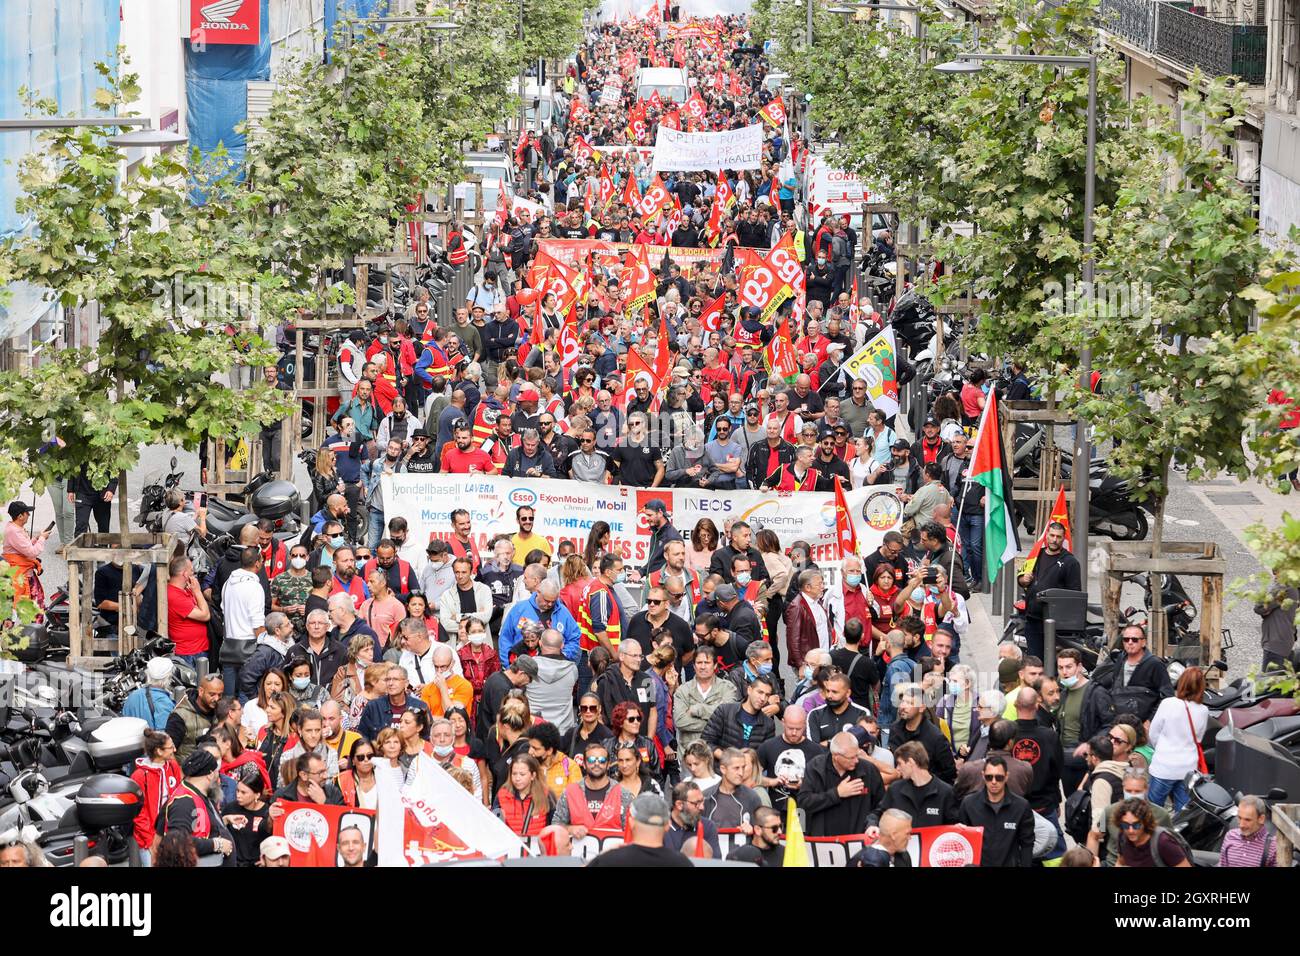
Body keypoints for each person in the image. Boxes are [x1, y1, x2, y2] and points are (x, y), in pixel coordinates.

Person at [1146, 666, 1210, 811]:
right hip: (1187, 769)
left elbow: (1153, 733)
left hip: (1163, 765)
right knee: (1183, 813)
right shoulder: (1203, 711)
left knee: (1153, 812)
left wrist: (1162, 748)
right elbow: (1198, 739)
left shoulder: (1168, 703)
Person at [799, 731, 886, 837]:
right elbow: (804, 803)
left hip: (859, 840)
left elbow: (881, 805)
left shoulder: (869, 770)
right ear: (836, 756)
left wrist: (872, 823)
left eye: (857, 755)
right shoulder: (816, 768)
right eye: (851, 758)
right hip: (824, 842)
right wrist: (836, 793)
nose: (856, 761)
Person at [1015, 521, 1081, 658]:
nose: (1054, 540)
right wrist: (1023, 580)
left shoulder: (1070, 562)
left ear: (1064, 539)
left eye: (1058, 537)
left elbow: (1075, 595)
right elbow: (1021, 578)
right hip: (1032, 619)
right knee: (1034, 661)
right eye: (1052, 535)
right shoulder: (1036, 555)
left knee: (1052, 664)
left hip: (1054, 624)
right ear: (1046, 536)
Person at [160, 750, 236, 867]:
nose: (219, 778)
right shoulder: (184, 802)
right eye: (217, 772)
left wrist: (224, 820)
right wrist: (217, 844)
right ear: (210, 775)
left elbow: (198, 823)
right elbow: (177, 841)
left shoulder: (200, 793)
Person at [1055, 647, 1115, 794]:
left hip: (1087, 759)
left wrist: (1090, 744)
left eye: (1069, 667)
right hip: (1065, 759)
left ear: (1080, 667)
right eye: (1061, 668)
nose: (1065, 672)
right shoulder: (1062, 694)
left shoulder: (1096, 692)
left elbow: (1110, 724)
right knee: (1072, 803)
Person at [958, 754, 1035, 867]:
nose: (994, 782)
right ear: (983, 776)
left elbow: (1027, 844)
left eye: (999, 777)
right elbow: (962, 841)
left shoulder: (1021, 806)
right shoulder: (968, 804)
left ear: (1006, 776)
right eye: (989, 777)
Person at [586, 793, 691, 868]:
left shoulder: (608, 861)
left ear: (631, 822)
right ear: (668, 825)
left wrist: (601, 856)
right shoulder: (681, 863)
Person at [554, 741, 633, 838]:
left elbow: (631, 831)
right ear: (584, 764)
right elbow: (555, 826)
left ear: (608, 764)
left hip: (612, 852)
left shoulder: (623, 794)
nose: (596, 763)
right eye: (591, 760)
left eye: (602, 760)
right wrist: (570, 829)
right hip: (578, 851)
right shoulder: (570, 791)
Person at [130, 729, 181, 865]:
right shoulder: (140, 776)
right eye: (170, 747)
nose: (174, 750)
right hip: (149, 838)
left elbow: (178, 797)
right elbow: (139, 813)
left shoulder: (173, 766)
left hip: (171, 834)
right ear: (159, 751)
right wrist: (151, 841)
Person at [888, 685, 958, 785]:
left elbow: (949, 773)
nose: (903, 706)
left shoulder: (935, 737)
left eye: (910, 703)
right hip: (901, 789)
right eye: (903, 701)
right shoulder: (895, 730)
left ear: (921, 708)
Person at [673, 645, 738, 749]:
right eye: (699, 663)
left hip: (718, 755)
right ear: (694, 666)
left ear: (715, 665)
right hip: (689, 755)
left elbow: (728, 716)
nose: (702, 667)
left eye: (707, 663)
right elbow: (680, 721)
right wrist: (716, 724)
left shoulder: (728, 688)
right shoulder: (683, 690)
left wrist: (699, 709)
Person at [1106, 623, 1174, 722]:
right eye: (1126, 639)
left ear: (1143, 642)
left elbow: (1168, 696)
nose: (1130, 642)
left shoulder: (1155, 664)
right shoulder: (1119, 659)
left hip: (1143, 725)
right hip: (1119, 723)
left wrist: (1150, 721)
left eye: (1134, 639)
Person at [702, 676, 778, 758]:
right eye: (760, 692)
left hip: (750, 769)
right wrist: (725, 758)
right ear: (749, 690)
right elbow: (706, 741)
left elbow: (766, 756)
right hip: (721, 768)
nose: (763, 698)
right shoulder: (725, 711)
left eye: (767, 695)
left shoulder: (768, 724)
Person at [357, 664, 431, 741]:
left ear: (406, 683)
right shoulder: (373, 707)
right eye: (388, 679)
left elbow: (427, 738)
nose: (390, 683)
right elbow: (362, 738)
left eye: (395, 679)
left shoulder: (419, 706)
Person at [1112, 797, 1191, 867]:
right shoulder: (1122, 836)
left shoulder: (1163, 842)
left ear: (1145, 822)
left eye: (1136, 825)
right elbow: (1120, 862)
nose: (1131, 830)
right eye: (1125, 825)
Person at [3, 501, 49, 619]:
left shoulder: (16, 528)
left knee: (37, 605)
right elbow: (31, 552)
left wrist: (36, 539)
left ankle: (35, 631)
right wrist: (42, 539)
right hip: (19, 576)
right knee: (14, 608)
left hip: (25, 573)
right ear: (20, 516)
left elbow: (24, 546)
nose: (29, 515)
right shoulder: (13, 531)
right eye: (27, 512)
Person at [527, 629, 578, 732]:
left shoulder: (529, 667)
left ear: (540, 643)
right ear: (562, 645)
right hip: (563, 730)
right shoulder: (572, 669)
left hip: (535, 728)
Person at [476, 656, 537, 740]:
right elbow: (501, 719)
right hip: (493, 740)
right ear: (521, 673)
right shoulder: (501, 688)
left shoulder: (496, 676)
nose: (529, 683)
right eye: (530, 679)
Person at [166, 673, 224, 761]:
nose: (216, 699)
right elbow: (168, 751)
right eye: (212, 694)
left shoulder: (220, 710)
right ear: (201, 691)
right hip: (188, 769)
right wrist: (180, 773)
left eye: (220, 695)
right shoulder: (180, 716)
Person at [702, 748, 763, 829]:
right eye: (736, 768)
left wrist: (752, 830)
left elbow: (761, 830)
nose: (741, 773)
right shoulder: (706, 796)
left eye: (743, 767)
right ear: (723, 769)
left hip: (744, 841)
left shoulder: (752, 797)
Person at [493, 753, 553, 837]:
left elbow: (554, 826)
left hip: (537, 848)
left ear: (533, 775)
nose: (517, 778)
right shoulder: (502, 795)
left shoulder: (546, 795)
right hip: (511, 847)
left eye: (522, 774)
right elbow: (495, 827)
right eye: (514, 774)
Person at [807, 673, 869, 746]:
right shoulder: (815, 714)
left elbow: (861, 744)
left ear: (848, 693)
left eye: (834, 692)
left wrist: (828, 743)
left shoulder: (862, 714)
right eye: (827, 691)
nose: (829, 696)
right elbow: (813, 747)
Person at [1218, 795, 1278, 867]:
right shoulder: (1230, 836)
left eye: (1247, 820)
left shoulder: (1274, 846)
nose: (1241, 825)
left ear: (1261, 819)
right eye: (1239, 818)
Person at [1256, 572, 1299, 669]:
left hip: (1276, 643)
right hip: (1282, 641)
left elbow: (1260, 607)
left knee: (1269, 681)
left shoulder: (1284, 587)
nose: (1275, 575)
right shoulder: (1291, 586)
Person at [122, 657, 178, 731]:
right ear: (169, 677)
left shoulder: (133, 695)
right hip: (150, 742)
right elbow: (164, 736)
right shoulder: (164, 702)